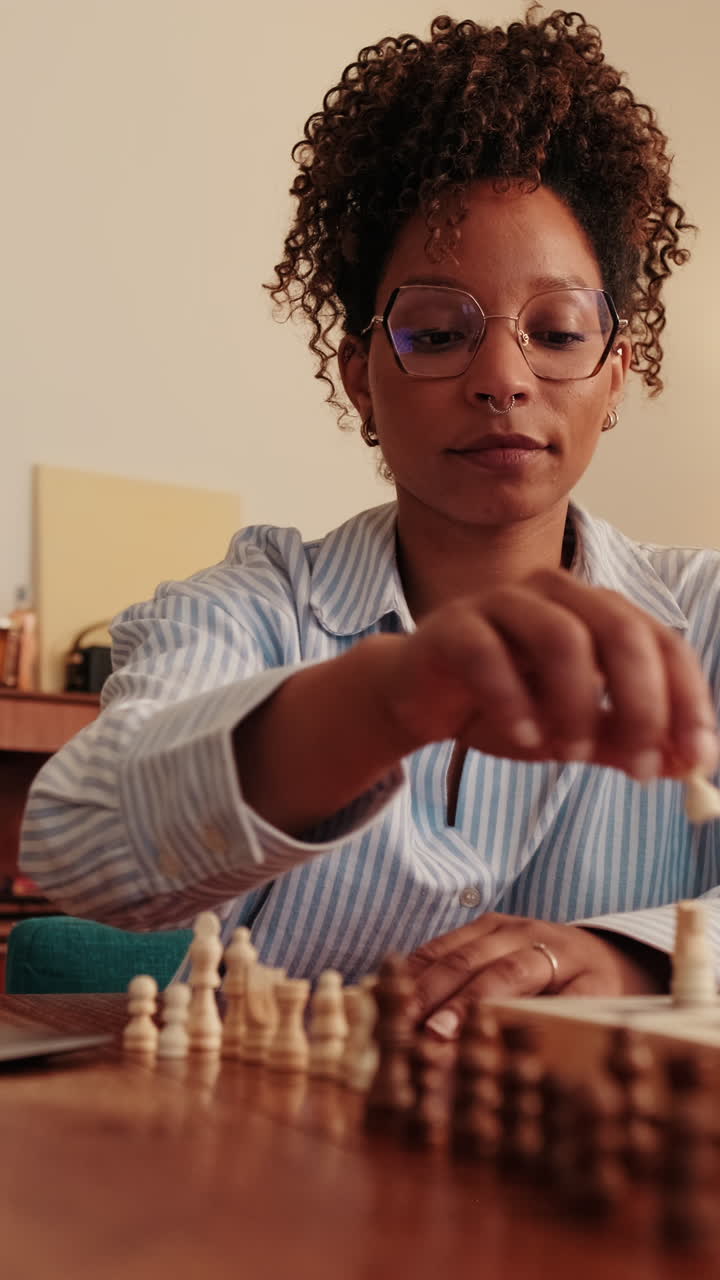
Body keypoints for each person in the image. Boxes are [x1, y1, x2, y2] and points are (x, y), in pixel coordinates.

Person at [20, 9, 720, 1037]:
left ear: (615, 376)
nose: (502, 378)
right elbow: (78, 846)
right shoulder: (252, 608)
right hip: (281, 1173)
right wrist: (391, 695)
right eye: (436, 332)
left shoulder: (704, 619)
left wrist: (630, 950)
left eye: (558, 331)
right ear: (361, 379)